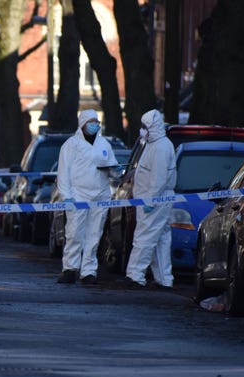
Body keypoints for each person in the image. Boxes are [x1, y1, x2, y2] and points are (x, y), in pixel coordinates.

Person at [56, 109, 118, 285]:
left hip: (100, 195)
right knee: (74, 233)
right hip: (78, 195)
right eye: (90, 121)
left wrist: (115, 171)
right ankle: (69, 268)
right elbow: (63, 172)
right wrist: (66, 196)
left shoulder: (104, 144)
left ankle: (89, 271)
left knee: (94, 234)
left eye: (96, 122)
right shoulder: (71, 145)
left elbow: (112, 167)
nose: (94, 125)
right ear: (82, 123)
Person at [125, 109, 177, 288]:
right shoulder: (153, 144)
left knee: (144, 237)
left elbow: (159, 179)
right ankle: (164, 279)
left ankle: (135, 274)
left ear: (153, 127)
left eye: (144, 127)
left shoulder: (161, 147)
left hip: (154, 199)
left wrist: (150, 201)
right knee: (161, 238)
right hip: (155, 199)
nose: (142, 130)